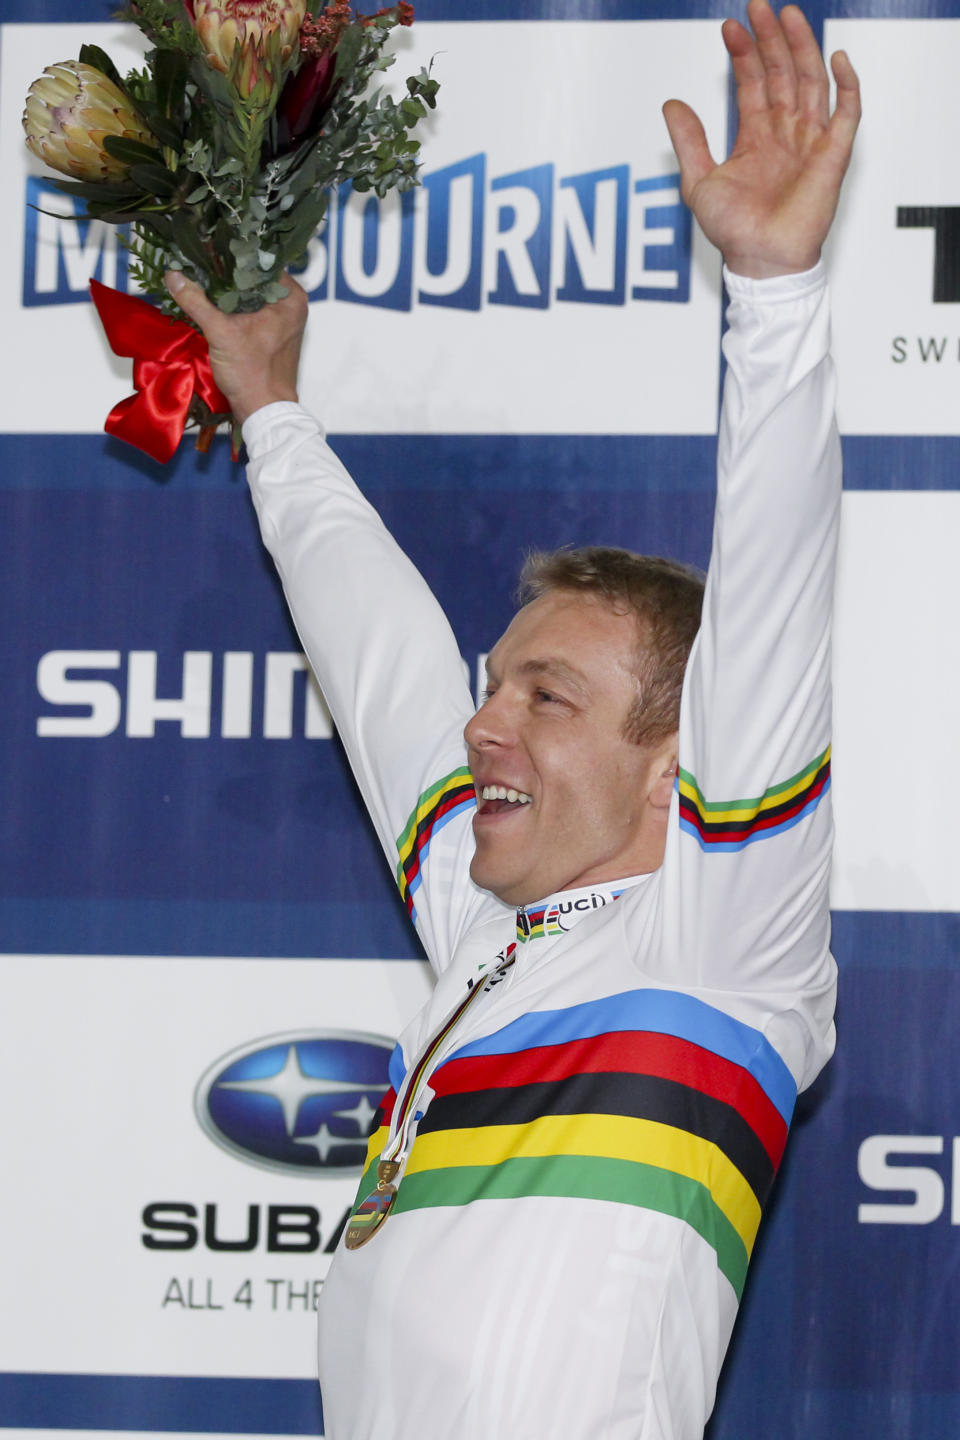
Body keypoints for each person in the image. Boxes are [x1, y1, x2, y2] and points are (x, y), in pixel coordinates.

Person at [168, 2, 860, 1435]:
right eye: (500, 684)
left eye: (548, 697)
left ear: (679, 771)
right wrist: (275, 420)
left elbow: (777, 629)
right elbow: (384, 668)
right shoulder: (484, 927)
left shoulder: (718, 951)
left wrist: (778, 306)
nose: (489, 724)